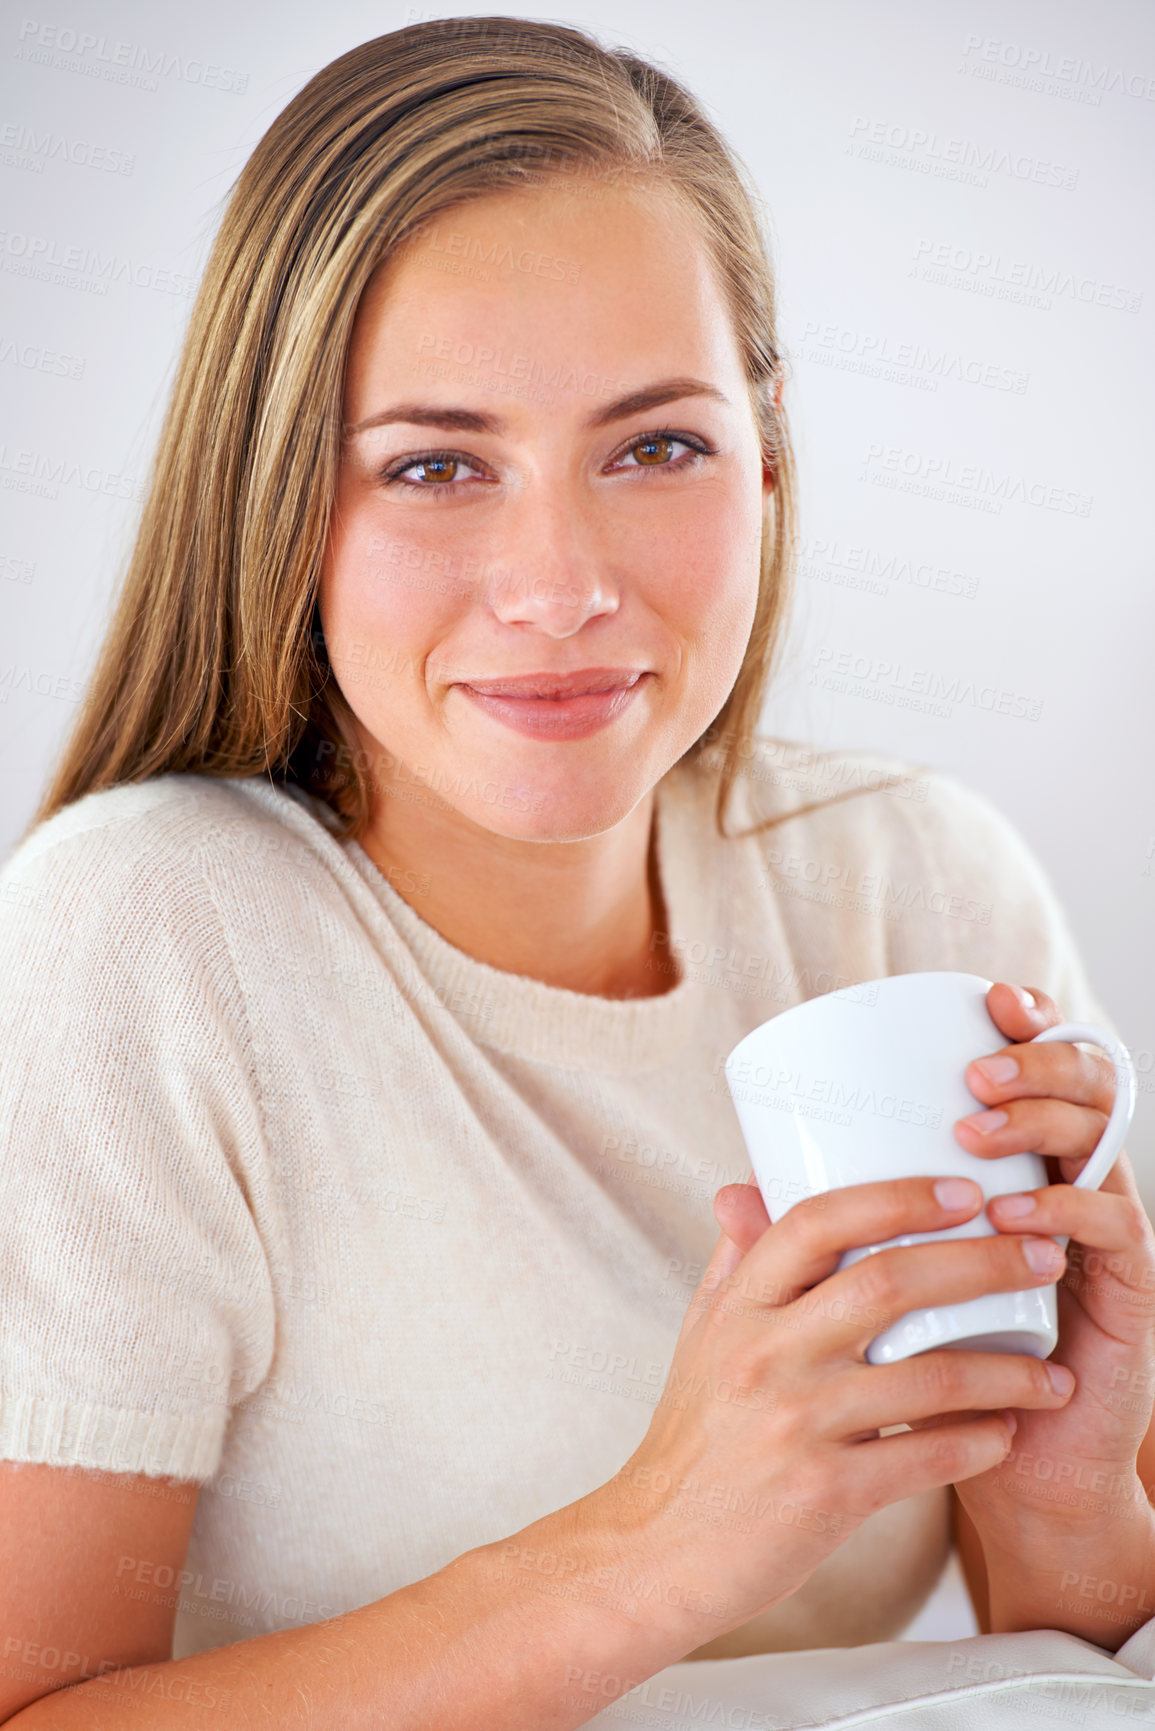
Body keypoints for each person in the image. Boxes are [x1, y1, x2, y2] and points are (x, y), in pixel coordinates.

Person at [1, 17, 1153, 1729]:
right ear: (278, 500)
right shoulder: (145, 940)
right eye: (434, 464)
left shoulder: (906, 882)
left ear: (767, 460)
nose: (558, 586)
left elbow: (1055, 1661)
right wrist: (663, 1540)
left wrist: (1062, 1489)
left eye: (655, 446)